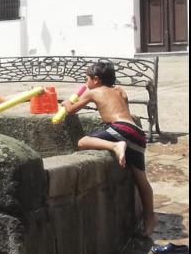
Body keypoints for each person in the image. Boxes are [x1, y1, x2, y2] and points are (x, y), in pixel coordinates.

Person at [61, 60, 157, 236]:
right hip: (136, 133)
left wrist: (67, 102)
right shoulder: (118, 91)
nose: (85, 82)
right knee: (141, 179)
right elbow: (123, 108)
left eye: (86, 78)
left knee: (82, 142)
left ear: (96, 80)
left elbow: (71, 110)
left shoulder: (93, 92)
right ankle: (150, 221)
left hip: (119, 131)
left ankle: (115, 145)